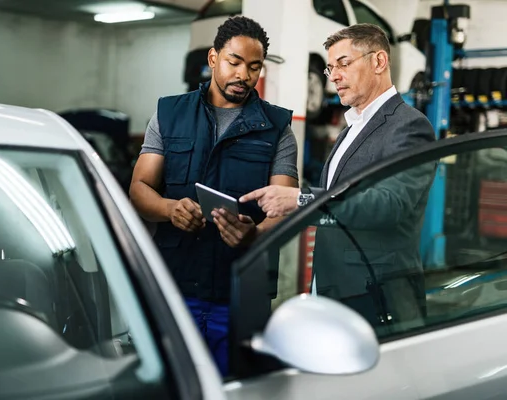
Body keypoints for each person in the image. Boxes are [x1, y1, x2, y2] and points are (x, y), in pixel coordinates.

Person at [129, 16, 298, 376]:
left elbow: (283, 207)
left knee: (240, 389)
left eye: (254, 67)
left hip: (241, 292)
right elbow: (139, 189)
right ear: (213, 58)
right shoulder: (168, 114)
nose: (244, 75)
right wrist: (169, 208)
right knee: (176, 383)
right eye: (234, 62)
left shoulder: (278, 128)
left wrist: (255, 234)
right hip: (175, 286)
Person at [240, 23, 436, 329]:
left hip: (376, 293)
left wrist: (302, 199)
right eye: (330, 67)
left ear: (379, 61)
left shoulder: (409, 126)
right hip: (333, 286)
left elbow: (391, 205)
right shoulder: (351, 129)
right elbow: (336, 204)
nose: (333, 76)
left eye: (343, 64)